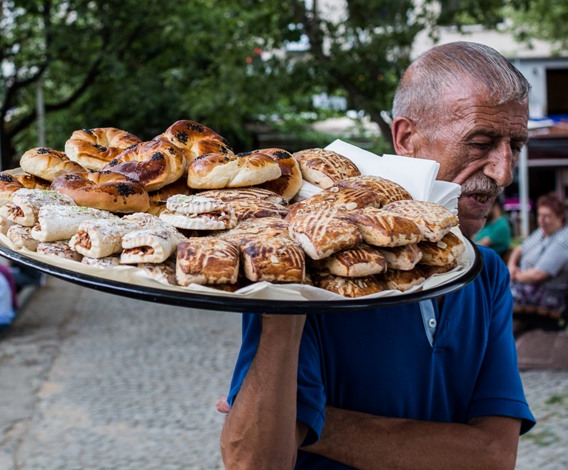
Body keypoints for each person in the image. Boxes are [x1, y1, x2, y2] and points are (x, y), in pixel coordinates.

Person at [220, 41, 535, 469]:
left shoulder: (485, 272)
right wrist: (287, 297)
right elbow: (255, 459)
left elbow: (494, 456)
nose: (504, 171)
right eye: (481, 142)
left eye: (515, 145)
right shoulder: (307, 262)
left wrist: (311, 424)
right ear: (406, 137)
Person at [508, 192, 568, 319]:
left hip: (548, 294)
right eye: (539, 215)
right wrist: (512, 266)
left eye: (546, 216)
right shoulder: (542, 232)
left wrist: (513, 276)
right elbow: (519, 249)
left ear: (560, 217)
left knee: (496, 296)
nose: (541, 220)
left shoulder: (563, 239)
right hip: (525, 286)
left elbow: (538, 275)